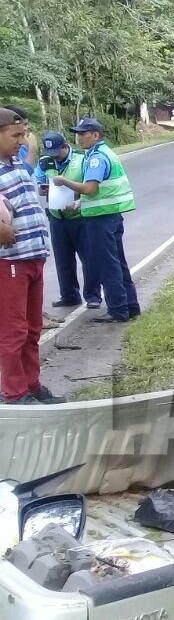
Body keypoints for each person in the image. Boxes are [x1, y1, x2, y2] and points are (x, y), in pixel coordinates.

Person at [0, 107, 63, 404]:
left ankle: (32, 385)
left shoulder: (16, 166)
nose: (22, 140)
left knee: (32, 329)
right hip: (10, 262)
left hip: (34, 257)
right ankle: (15, 393)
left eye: (23, 134)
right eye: (15, 135)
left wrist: (31, 145)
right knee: (13, 331)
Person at [51, 117, 139, 324]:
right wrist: (80, 203)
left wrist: (64, 181)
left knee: (108, 265)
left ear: (96, 135)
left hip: (101, 219)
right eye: (78, 134)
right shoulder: (104, 153)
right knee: (118, 262)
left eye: (83, 134)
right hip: (111, 215)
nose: (79, 138)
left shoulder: (96, 158)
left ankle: (118, 309)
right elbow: (100, 191)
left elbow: (90, 189)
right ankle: (130, 306)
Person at [35, 131, 99, 309]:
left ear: (65, 146)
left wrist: (74, 195)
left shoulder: (81, 159)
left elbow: (91, 187)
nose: (54, 157)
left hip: (79, 216)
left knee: (89, 257)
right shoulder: (44, 161)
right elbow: (40, 183)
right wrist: (45, 189)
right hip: (57, 217)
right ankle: (69, 295)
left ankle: (93, 296)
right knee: (63, 260)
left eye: (57, 152)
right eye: (50, 154)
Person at [1, 104, 37, 174]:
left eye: (26, 124)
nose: (25, 128)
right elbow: (25, 172)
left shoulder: (23, 143)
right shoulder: (9, 147)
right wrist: (32, 149)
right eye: (23, 124)